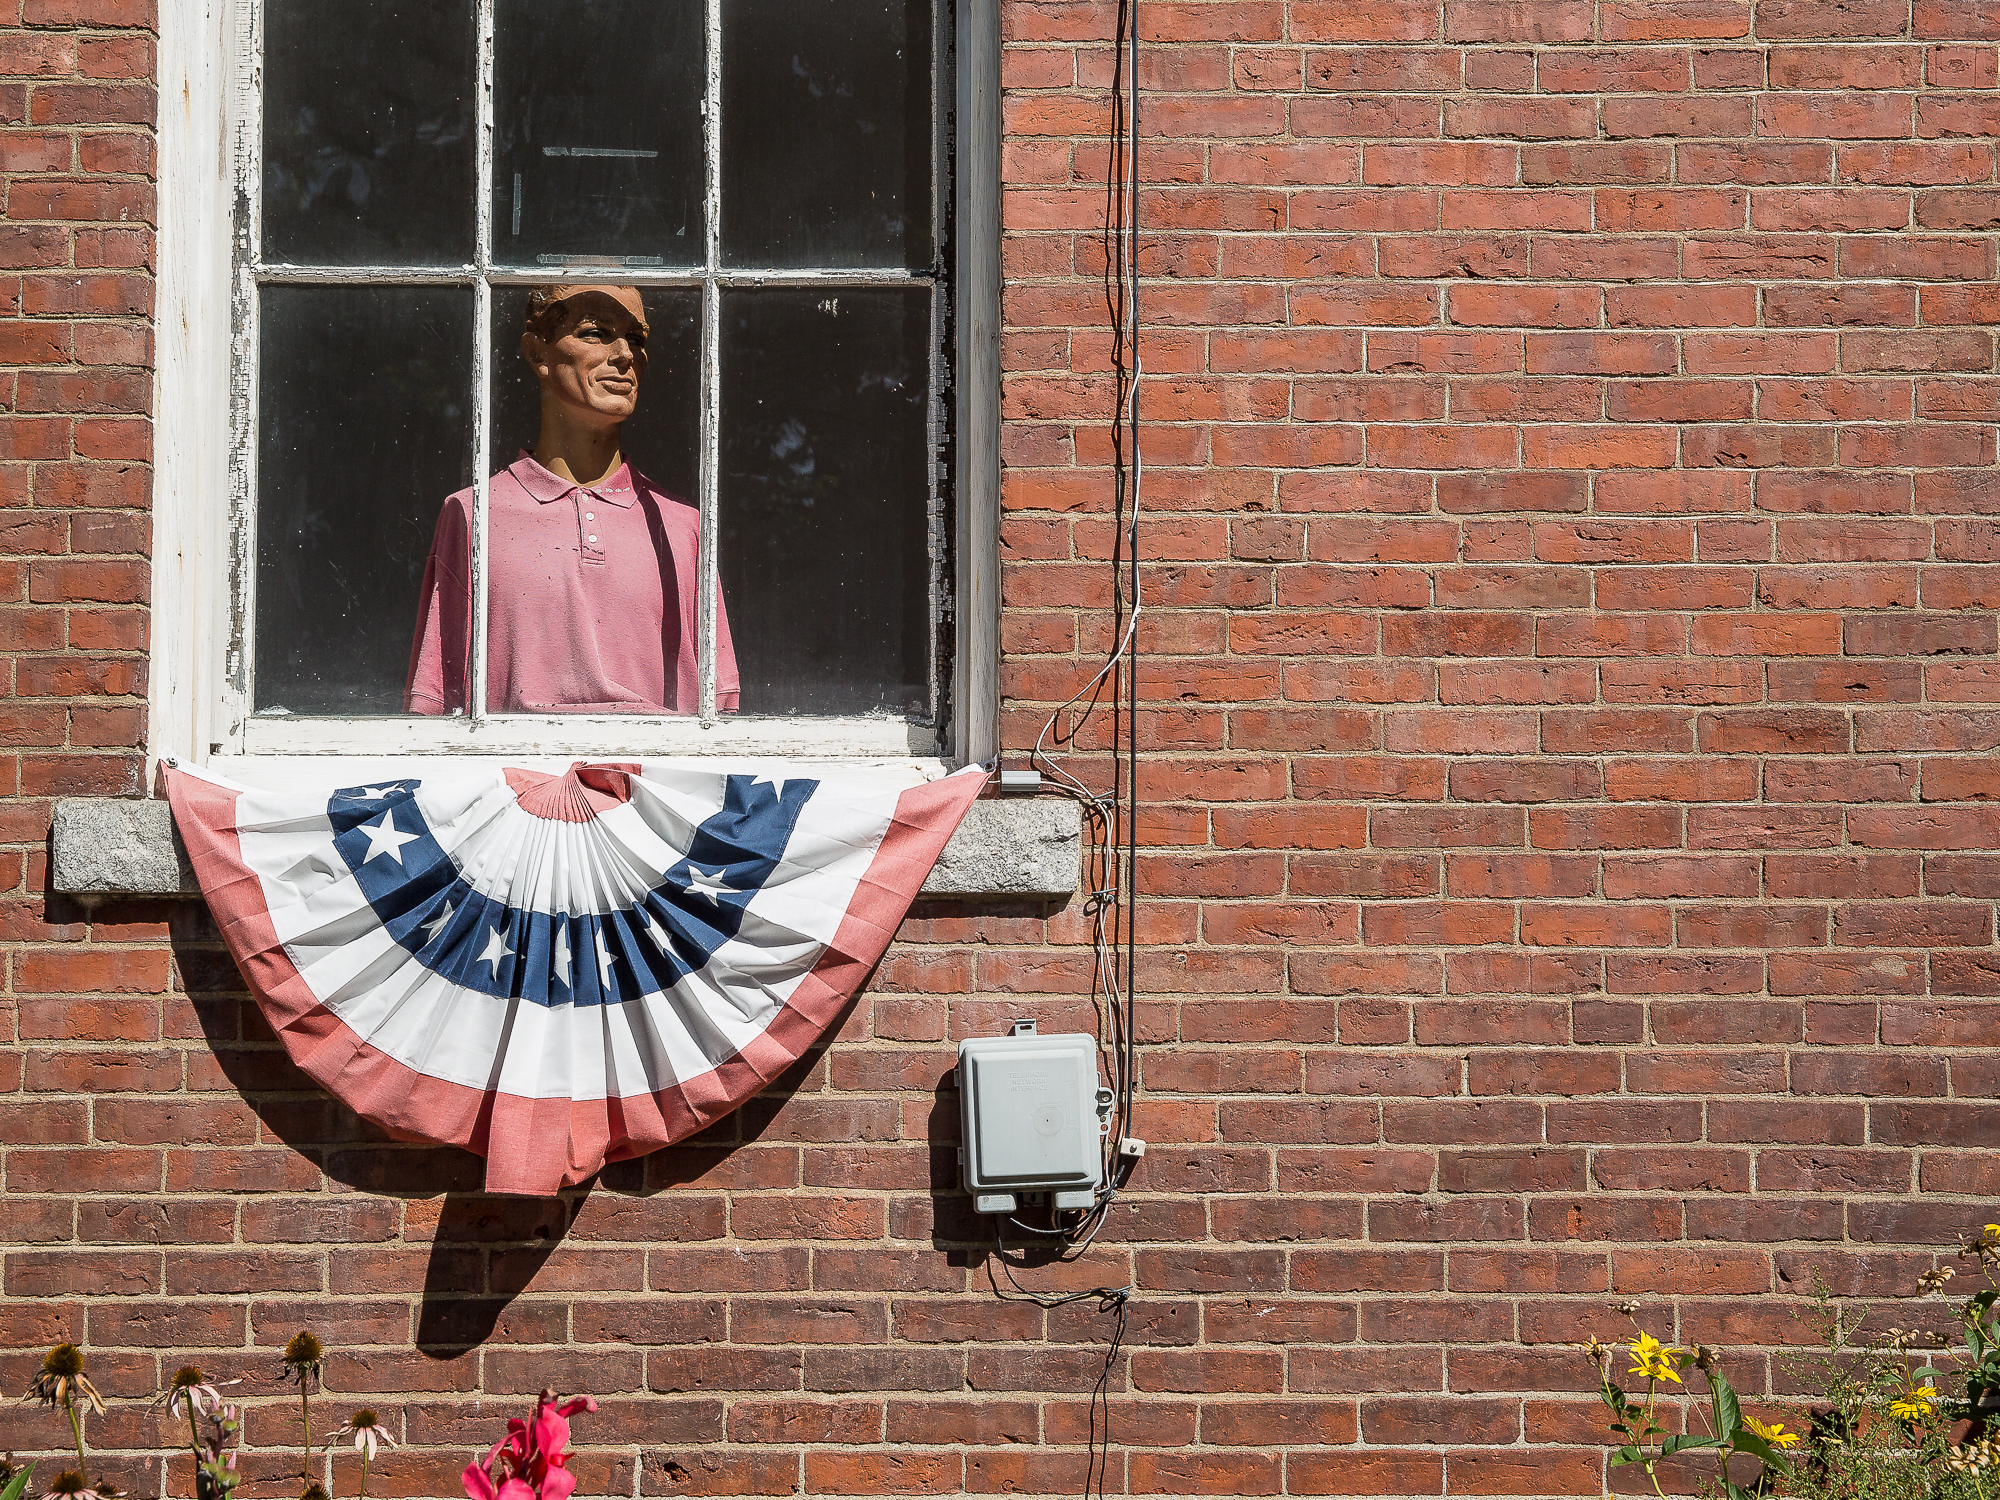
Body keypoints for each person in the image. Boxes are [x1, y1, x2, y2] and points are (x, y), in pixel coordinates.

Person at [404, 283, 738, 715]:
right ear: (537, 352)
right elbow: (434, 703)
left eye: (636, 340)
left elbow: (723, 712)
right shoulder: (473, 514)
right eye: (595, 333)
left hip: (653, 776)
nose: (624, 356)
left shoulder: (683, 526)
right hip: (520, 777)